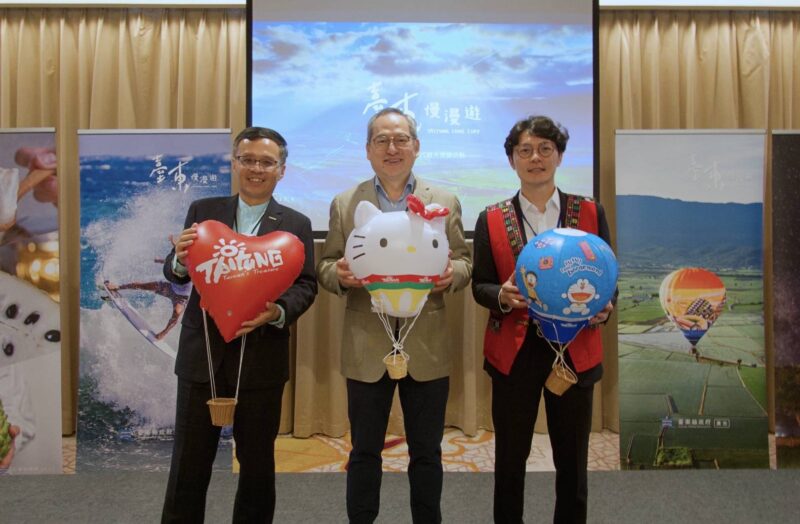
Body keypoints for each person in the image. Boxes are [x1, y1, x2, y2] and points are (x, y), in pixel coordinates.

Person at [317, 107, 472, 523]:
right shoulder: (346, 202)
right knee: (364, 451)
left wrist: (452, 275)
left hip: (427, 343)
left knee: (427, 452)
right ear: (368, 149)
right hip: (366, 344)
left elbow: (463, 260)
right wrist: (339, 275)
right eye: (382, 140)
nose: (392, 148)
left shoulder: (444, 201)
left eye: (401, 139)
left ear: (416, 147)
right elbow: (326, 264)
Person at [160, 127, 317, 523]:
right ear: (234, 164)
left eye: (266, 162)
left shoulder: (296, 224)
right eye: (248, 160)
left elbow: (307, 285)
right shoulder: (203, 211)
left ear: (281, 170)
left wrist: (277, 312)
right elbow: (177, 273)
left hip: (262, 361)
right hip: (202, 357)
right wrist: (179, 259)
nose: (256, 169)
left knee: (257, 466)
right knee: (188, 465)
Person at [471, 116, 614, 524]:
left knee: (572, 462)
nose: (536, 158)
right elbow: (480, 285)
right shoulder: (491, 217)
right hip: (514, 354)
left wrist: (606, 307)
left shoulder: (589, 211)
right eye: (525, 151)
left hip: (575, 351)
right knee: (509, 460)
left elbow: (608, 276)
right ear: (512, 160)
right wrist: (500, 295)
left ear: (560, 156)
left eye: (545, 149)